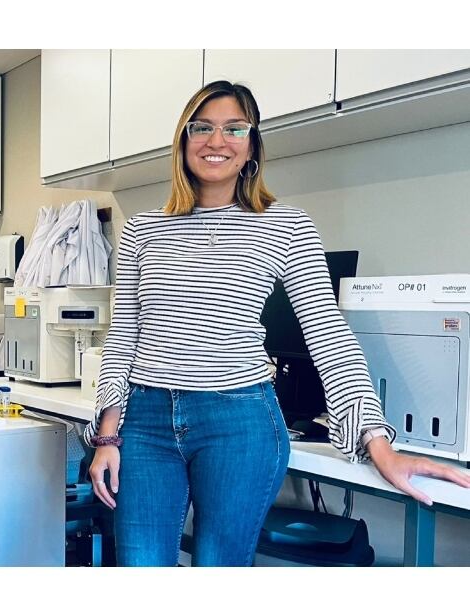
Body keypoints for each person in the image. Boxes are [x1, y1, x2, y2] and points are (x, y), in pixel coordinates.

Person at [86, 81, 470, 567]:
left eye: (233, 129)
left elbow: (328, 334)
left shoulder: (285, 224)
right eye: (201, 128)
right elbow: (124, 339)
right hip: (146, 422)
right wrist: (107, 436)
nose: (216, 141)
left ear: (252, 146)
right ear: (183, 142)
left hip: (239, 420)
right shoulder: (144, 227)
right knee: (140, 568)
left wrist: (377, 441)